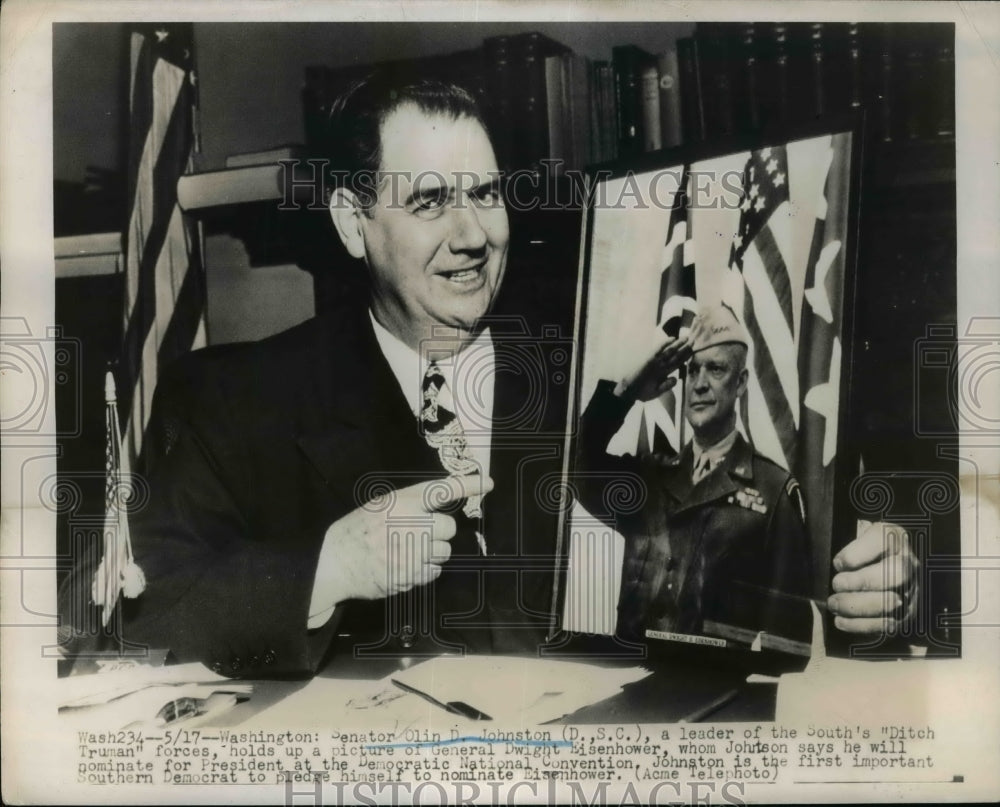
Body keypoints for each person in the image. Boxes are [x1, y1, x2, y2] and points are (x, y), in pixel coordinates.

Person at [60, 74, 917, 677]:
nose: (473, 234)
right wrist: (328, 565)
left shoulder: (594, 371)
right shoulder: (235, 399)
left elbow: (746, 550)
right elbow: (128, 610)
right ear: (354, 223)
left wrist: (875, 584)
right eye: (431, 200)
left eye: (488, 194)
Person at [578, 304, 919, 646]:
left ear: (740, 382)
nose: (698, 384)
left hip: (722, 693)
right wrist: (624, 392)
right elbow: (573, 470)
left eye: (715, 369)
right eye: (692, 371)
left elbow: (787, 638)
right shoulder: (651, 477)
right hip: (634, 685)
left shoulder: (773, 489)